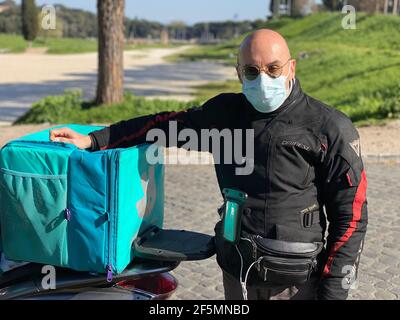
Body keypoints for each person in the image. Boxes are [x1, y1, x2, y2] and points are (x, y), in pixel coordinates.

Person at [50, 29, 368, 300]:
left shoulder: (329, 127)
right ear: (238, 73)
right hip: (236, 270)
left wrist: (334, 290)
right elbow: (163, 125)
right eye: (252, 72)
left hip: (295, 282)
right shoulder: (225, 115)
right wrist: (95, 140)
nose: (264, 79)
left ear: (292, 68)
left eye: (273, 69)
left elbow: (351, 217)